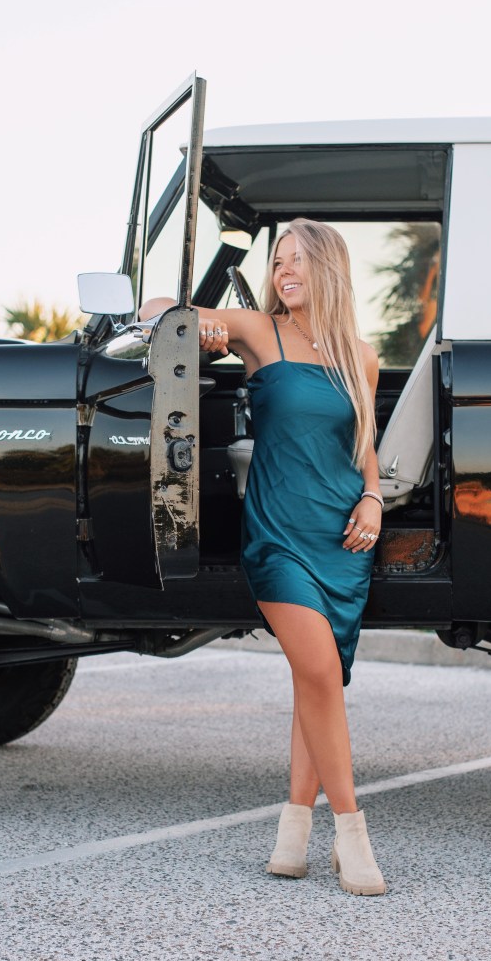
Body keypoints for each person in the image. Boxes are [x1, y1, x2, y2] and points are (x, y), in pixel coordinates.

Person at [139, 218, 386, 896]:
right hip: (278, 535)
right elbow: (158, 311)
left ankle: (292, 836)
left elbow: (364, 445)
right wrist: (199, 327)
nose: (285, 271)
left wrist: (373, 497)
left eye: (298, 260)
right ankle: (352, 834)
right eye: (278, 261)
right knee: (319, 670)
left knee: (317, 681)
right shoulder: (259, 330)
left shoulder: (360, 356)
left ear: (328, 269)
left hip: (342, 538)